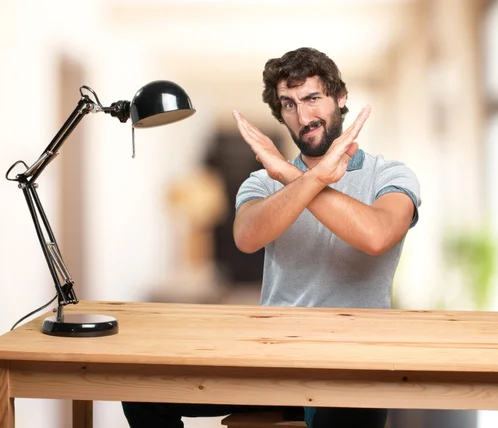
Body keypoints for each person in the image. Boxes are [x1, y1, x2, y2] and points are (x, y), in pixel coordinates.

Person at [122, 47, 420, 428]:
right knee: (140, 391)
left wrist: (297, 178)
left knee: (338, 407)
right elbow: (247, 236)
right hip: (272, 359)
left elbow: (377, 235)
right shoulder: (263, 181)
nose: (303, 116)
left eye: (313, 98)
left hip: (353, 362)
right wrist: (302, 177)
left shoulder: (389, 175)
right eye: (289, 104)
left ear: (340, 98)